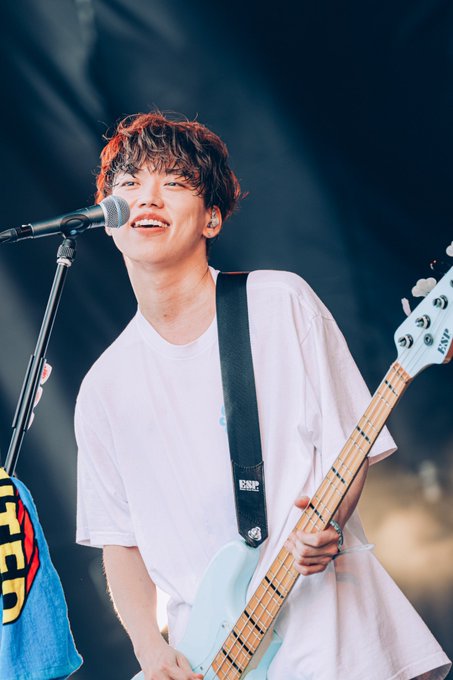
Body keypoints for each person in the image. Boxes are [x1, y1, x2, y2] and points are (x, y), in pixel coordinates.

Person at [75, 112, 451, 680]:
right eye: (129, 183)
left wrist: (329, 525)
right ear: (108, 217)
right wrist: (150, 651)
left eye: (173, 182)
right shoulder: (103, 386)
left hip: (330, 643)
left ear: (212, 218)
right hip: (208, 660)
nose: (147, 197)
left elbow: (347, 448)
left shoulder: (279, 304)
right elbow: (119, 542)